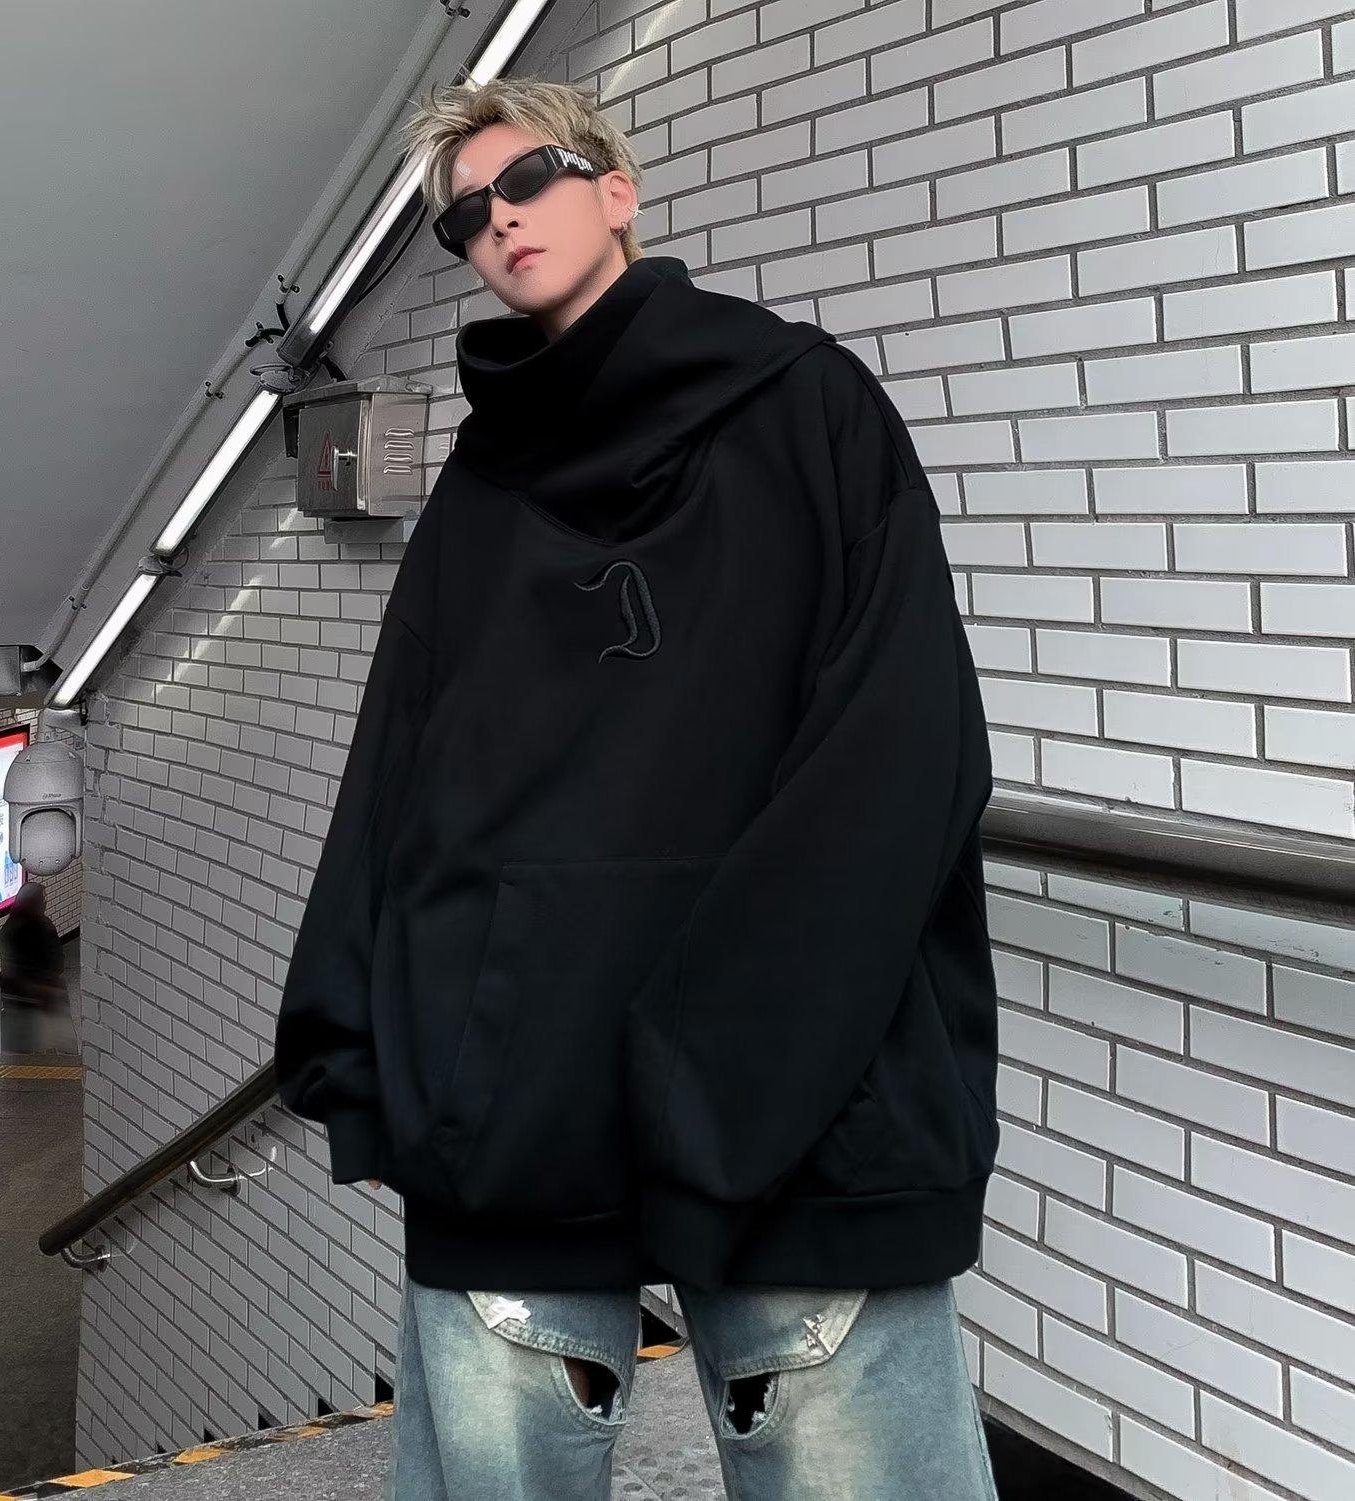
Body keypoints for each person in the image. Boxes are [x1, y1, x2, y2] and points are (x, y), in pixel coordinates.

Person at [274, 71, 1001, 1499]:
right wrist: (353, 1039)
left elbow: (905, 742)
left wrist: (721, 1044)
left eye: (526, 179)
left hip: (800, 1079)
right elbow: (399, 765)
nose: (498, 219)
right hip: (518, 1097)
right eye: (465, 216)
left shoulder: (809, 405)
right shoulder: (480, 486)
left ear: (616, 189)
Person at [0, 879, 72, 1054]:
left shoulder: (7, 929)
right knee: (54, 1047)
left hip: (16, 999)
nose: (45, 903)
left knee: (20, 1052)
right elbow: (56, 961)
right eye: (43, 899)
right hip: (44, 997)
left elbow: (11, 967)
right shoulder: (43, 926)